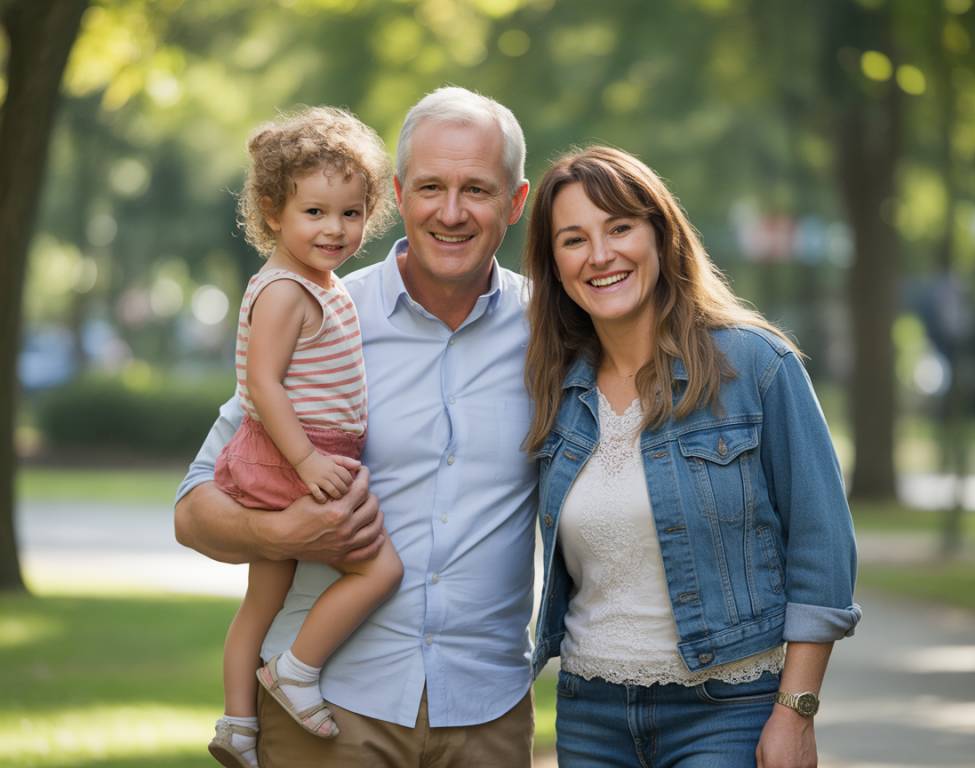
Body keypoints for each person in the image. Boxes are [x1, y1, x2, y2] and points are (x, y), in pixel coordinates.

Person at [175, 87, 535, 767]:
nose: (450, 212)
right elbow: (192, 511)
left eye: (477, 190)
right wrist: (275, 533)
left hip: (488, 711)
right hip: (332, 710)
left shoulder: (554, 331)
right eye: (430, 186)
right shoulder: (323, 309)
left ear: (514, 202)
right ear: (399, 194)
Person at [523, 146, 861, 768]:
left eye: (620, 227)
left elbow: (822, 547)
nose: (600, 255)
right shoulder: (555, 391)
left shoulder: (757, 367)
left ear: (660, 235)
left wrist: (797, 710)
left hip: (727, 710)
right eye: (574, 240)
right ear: (554, 265)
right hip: (589, 711)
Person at [207, 106, 404, 768]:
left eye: (350, 213)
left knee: (264, 598)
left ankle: (237, 725)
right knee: (379, 568)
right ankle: (295, 670)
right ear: (272, 211)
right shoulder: (287, 291)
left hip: (305, 453)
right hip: (295, 456)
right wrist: (307, 458)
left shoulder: (320, 284)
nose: (335, 228)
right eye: (314, 212)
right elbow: (261, 384)